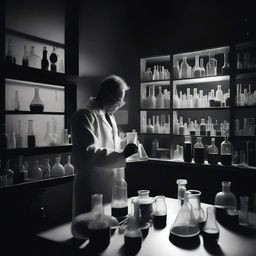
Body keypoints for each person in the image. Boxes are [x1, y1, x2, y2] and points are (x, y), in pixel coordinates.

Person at [71, 75, 138, 218]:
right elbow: (89, 153)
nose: (119, 105)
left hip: (110, 184)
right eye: (118, 101)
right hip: (92, 185)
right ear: (107, 95)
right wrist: (122, 155)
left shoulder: (109, 116)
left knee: (109, 227)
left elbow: (111, 144)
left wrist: (127, 143)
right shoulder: (84, 115)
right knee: (90, 229)